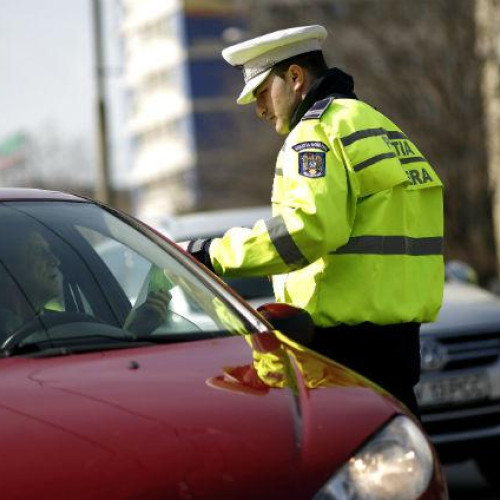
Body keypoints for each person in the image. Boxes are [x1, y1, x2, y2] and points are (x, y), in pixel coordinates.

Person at [183, 25, 444, 416]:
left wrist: (212, 256)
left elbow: (308, 229)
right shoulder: (375, 123)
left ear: (294, 77)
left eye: (261, 92)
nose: (260, 109)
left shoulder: (316, 133)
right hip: (396, 342)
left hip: (342, 348)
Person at [0, 228, 170, 343]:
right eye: (38, 252)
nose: (55, 261)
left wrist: (131, 333)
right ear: (6, 271)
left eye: (50, 251)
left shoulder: (65, 326)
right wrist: (131, 335)